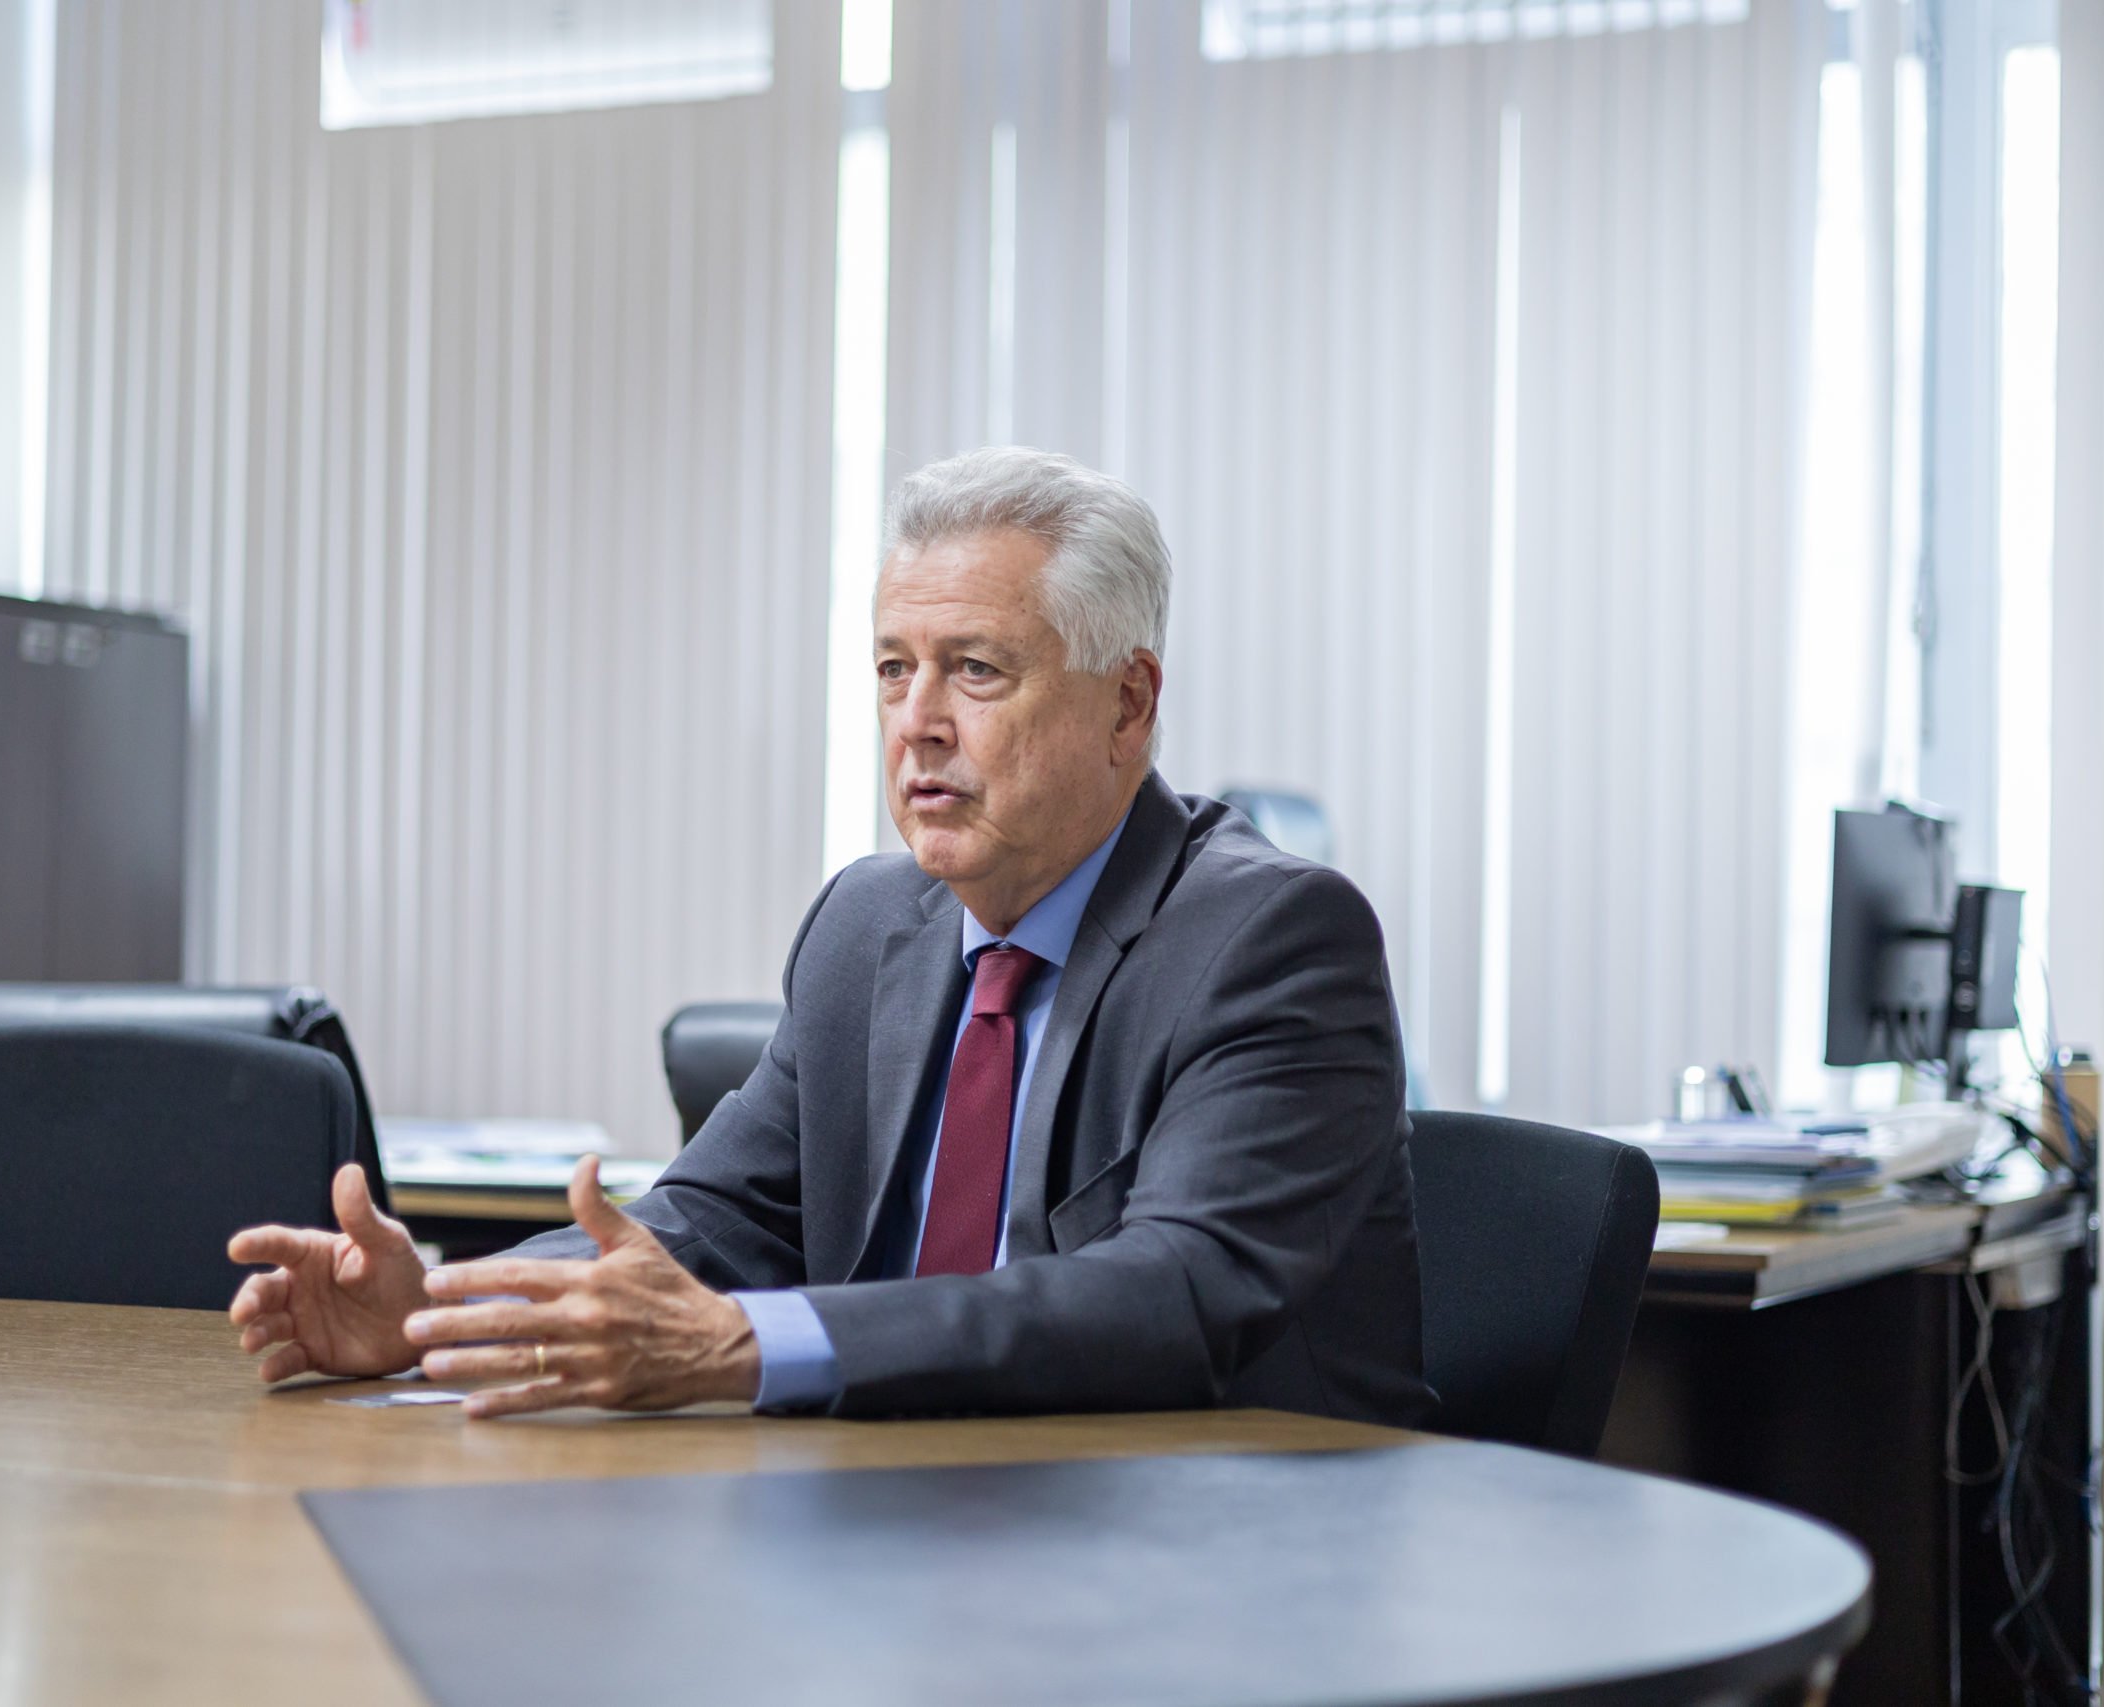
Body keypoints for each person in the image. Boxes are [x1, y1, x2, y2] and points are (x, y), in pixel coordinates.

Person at [228, 447, 1434, 1425]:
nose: (915, 725)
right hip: (908, 1525)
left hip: (1225, 1559)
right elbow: (712, 1222)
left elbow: (1170, 1297)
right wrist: (443, 1314)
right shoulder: (870, 925)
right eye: (891, 670)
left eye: (974, 671)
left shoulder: (1271, 938)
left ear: (1127, 703)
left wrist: (746, 1348)